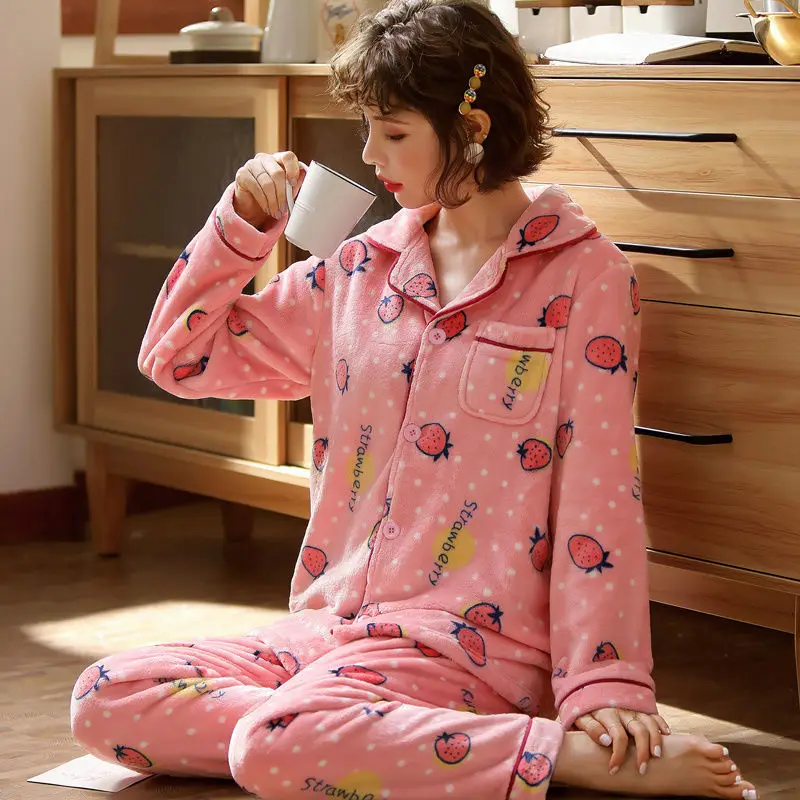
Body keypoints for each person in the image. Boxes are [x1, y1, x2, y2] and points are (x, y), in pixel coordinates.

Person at [70, 1, 757, 798]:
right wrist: (243, 225)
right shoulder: (359, 270)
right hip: (331, 632)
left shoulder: (584, 277)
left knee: (273, 742)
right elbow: (177, 357)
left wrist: (605, 686)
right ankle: (350, 734)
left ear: (473, 126)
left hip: (474, 652)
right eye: (367, 129)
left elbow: (597, 496)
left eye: (392, 133)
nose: (369, 155)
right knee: (106, 695)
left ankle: (547, 753)